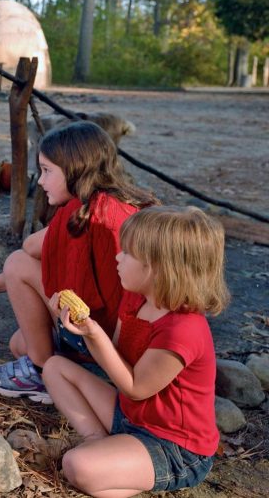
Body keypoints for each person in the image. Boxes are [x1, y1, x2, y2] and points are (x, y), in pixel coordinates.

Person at [0, 121, 157, 403]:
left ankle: (41, 374)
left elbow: (29, 249)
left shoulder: (84, 214)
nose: (40, 181)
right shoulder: (125, 201)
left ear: (76, 169)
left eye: (47, 171)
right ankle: (70, 373)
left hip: (109, 340)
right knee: (21, 342)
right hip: (136, 342)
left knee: (17, 262)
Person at [43, 206, 229, 497]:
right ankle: (97, 440)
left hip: (173, 446)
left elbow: (135, 387)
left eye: (128, 253)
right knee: (54, 367)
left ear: (158, 267)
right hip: (129, 416)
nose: (118, 257)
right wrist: (76, 328)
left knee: (76, 466)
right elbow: (116, 356)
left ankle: (113, 466)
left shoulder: (183, 330)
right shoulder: (135, 297)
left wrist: (93, 333)